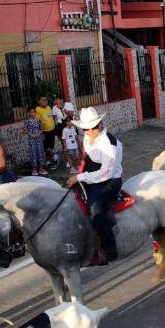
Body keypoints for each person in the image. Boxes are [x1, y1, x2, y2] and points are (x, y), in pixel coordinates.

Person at [66, 107, 122, 262]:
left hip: (109, 181)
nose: (90, 131)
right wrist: (80, 172)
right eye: (86, 129)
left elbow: (106, 173)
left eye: (94, 127)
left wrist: (79, 177)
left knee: (95, 211)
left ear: (100, 123)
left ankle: (110, 249)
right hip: (91, 174)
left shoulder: (108, 144)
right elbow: (85, 156)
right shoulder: (87, 137)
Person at [23, 106, 47, 176]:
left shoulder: (38, 120)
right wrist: (30, 134)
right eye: (31, 112)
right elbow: (24, 130)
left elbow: (41, 129)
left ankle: (41, 168)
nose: (33, 113)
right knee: (33, 153)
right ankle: (34, 169)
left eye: (34, 112)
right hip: (32, 140)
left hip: (39, 139)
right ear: (28, 113)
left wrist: (38, 134)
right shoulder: (27, 121)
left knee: (40, 152)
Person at [35, 96, 57, 169]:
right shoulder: (37, 109)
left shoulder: (49, 107)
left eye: (46, 100)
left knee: (51, 147)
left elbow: (51, 117)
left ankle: (49, 162)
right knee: (46, 147)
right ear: (39, 102)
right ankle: (55, 156)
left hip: (52, 130)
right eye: (42, 100)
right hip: (44, 132)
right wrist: (41, 133)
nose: (45, 101)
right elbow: (37, 122)